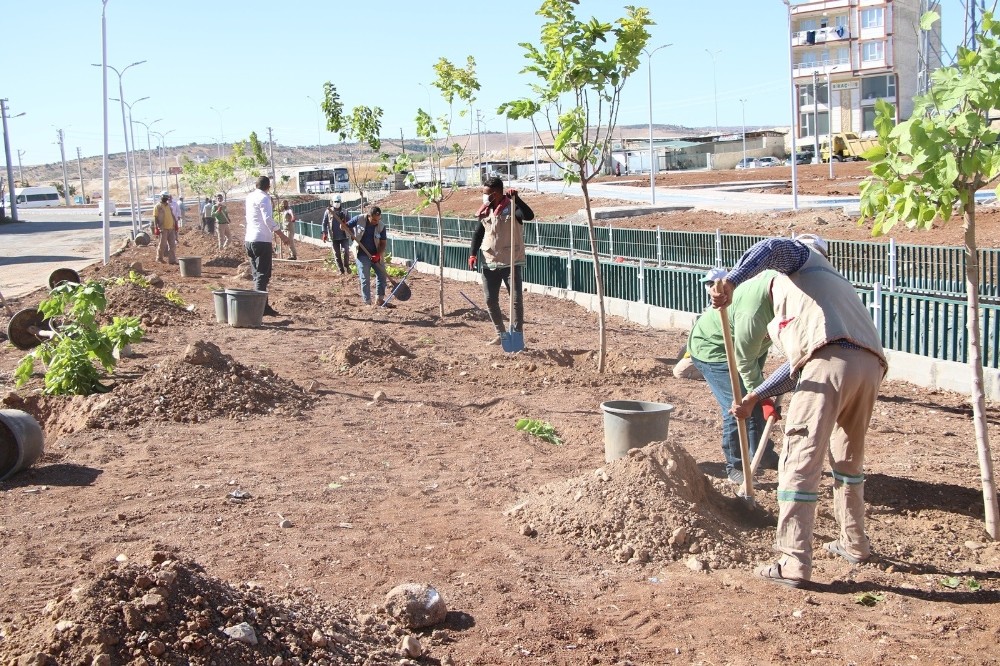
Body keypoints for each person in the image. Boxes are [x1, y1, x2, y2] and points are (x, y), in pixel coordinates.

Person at [710, 234, 886, 589]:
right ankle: (855, 543)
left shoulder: (803, 263)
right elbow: (800, 367)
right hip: (868, 368)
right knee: (847, 462)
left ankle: (793, 561)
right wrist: (755, 396)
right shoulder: (829, 291)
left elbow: (774, 248)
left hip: (833, 362)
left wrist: (731, 278)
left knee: (799, 462)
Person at [687, 267, 781, 487]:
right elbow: (746, 360)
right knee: (737, 407)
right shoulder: (753, 312)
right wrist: (763, 396)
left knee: (753, 400)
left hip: (745, 349)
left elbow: (758, 349)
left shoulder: (789, 297)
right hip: (712, 348)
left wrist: (760, 392)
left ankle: (762, 453)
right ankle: (735, 467)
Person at [468, 175, 535, 345]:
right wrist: (472, 254)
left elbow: (529, 215)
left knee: (516, 298)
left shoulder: (513, 207)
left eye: (487, 193)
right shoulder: (486, 209)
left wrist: (517, 198)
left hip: (510, 260)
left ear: (497, 193)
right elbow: (479, 233)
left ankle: (517, 336)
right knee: (490, 299)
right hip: (489, 260)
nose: (484, 196)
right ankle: (501, 334)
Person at [245, 176, 291, 317]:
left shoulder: (249, 197)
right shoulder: (264, 198)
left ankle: (263, 305)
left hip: (249, 239)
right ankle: (260, 308)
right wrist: (282, 235)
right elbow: (267, 219)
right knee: (263, 275)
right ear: (268, 187)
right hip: (261, 240)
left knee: (257, 274)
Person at [348, 206, 388, 306]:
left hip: (375, 254)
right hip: (362, 255)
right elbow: (346, 226)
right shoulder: (359, 219)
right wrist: (352, 235)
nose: (376, 221)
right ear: (369, 216)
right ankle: (367, 302)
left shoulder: (381, 226)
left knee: (382, 275)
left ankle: (379, 299)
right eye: (374, 219)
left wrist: (378, 255)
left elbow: (383, 243)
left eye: (378, 219)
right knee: (365, 278)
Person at [322, 194, 351, 274]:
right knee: (337, 254)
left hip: (344, 236)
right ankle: (341, 270)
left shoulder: (345, 212)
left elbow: (350, 223)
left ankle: (346, 266)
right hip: (333, 236)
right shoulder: (328, 211)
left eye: (338, 201)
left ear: (341, 202)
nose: (337, 203)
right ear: (332, 202)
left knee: (346, 251)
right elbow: (324, 223)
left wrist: (352, 233)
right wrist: (324, 233)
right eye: (335, 201)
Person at [152, 192, 177, 264]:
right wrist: (156, 227)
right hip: (163, 228)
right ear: (161, 197)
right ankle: (159, 258)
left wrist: (175, 224)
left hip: (171, 228)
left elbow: (172, 215)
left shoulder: (169, 206)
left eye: (167, 197)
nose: (166, 198)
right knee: (162, 244)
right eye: (164, 197)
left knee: (172, 245)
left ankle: (172, 260)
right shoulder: (158, 206)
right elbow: (155, 217)